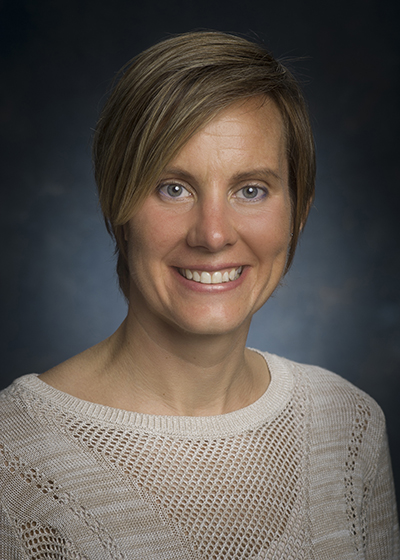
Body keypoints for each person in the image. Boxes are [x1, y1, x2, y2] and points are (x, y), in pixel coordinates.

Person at [0, 31, 398, 559]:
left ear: (298, 213)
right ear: (117, 202)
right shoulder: (14, 455)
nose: (212, 234)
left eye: (250, 190)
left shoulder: (349, 426)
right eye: (174, 188)